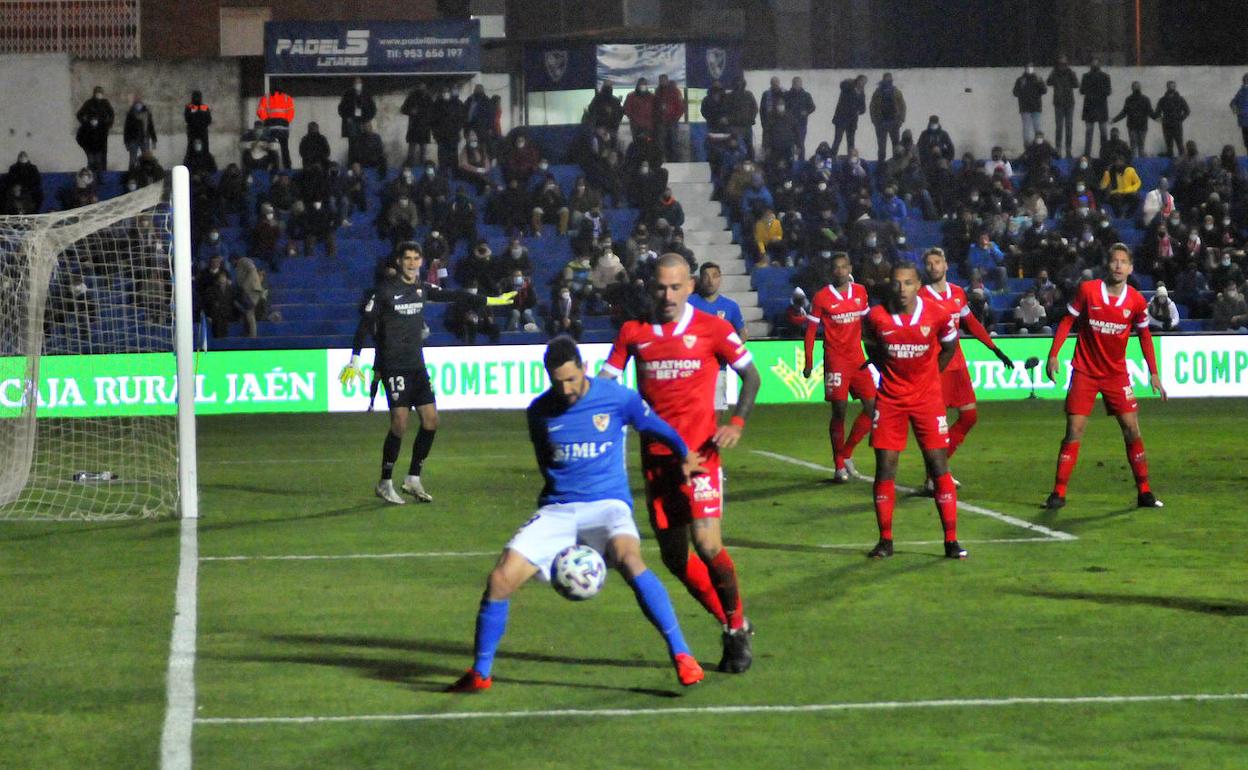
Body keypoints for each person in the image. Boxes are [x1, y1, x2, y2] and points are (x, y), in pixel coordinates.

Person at [446, 337, 707, 693]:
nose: (566, 389)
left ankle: (681, 655)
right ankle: (480, 672)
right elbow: (546, 461)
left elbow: (656, 426)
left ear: (584, 367)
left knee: (630, 559)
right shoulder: (539, 411)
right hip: (558, 508)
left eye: (571, 379)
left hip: (609, 504)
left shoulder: (618, 398)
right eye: (558, 382)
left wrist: (683, 454)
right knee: (500, 578)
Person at [599, 253, 762, 674]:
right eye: (660, 287)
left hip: (701, 457)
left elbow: (752, 375)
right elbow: (606, 385)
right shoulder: (634, 333)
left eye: (675, 287)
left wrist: (738, 422)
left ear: (690, 286)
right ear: (649, 287)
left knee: (708, 546)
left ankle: (734, 629)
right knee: (674, 558)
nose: (667, 295)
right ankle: (733, 621)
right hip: (657, 461)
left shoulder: (714, 328)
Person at [340, 242, 514, 505]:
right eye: (407, 258)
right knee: (400, 422)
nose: (412, 263)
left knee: (431, 421)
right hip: (393, 365)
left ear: (421, 261)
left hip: (416, 366)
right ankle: (385, 482)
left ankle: (413, 478)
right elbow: (364, 326)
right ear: (399, 262)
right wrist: (355, 360)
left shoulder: (422, 289)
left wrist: (491, 300)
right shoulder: (385, 291)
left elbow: (457, 295)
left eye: (416, 258)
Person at [1044, 244, 1166, 511]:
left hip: (1116, 375)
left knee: (1132, 429)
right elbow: (1067, 321)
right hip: (1085, 372)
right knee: (1074, 430)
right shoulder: (1088, 290)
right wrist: (1054, 354)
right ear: (1107, 265)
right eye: (1114, 261)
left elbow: (1145, 336)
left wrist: (1154, 372)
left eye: (1124, 262)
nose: (1119, 266)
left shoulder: (1134, 300)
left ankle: (1144, 491)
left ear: (1131, 268)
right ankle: (1058, 493)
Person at [861, 262, 966, 560]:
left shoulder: (937, 314)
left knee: (938, 465)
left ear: (918, 285)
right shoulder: (876, 317)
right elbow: (873, 350)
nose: (902, 289)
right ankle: (885, 540)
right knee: (885, 468)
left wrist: (932, 376)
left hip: (927, 400)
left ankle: (951, 540)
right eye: (897, 283)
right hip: (891, 400)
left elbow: (949, 346)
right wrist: (890, 376)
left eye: (908, 283)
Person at [921, 247, 1014, 480]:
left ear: (946, 265)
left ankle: (938, 468)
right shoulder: (921, 297)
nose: (933, 266)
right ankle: (936, 475)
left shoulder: (957, 293)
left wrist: (996, 350)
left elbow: (971, 323)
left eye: (937, 262)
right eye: (929, 263)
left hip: (958, 365)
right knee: (938, 425)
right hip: (936, 367)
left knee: (969, 417)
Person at [800, 252, 876, 481]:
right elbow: (811, 331)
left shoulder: (861, 292)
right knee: (839, 411)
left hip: (858, 359)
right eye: (837, 267)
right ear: (831, 271)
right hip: (836, 360)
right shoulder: (822, 297)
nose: (841, 271)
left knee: (874, 409)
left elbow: (869, 325)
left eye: (844, 266)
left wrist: (877, 352)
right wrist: (809, 362)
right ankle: (838, 466)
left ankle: (847, 453)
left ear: (849, 267)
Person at [689, 262, 747, 415]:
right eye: (706, 277)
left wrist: (732, 350)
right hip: (691, 367)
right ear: (700, 279)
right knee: (691, 413)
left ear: (720, 279)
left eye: (714, 276)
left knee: (715, 413)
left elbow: (742, 333)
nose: (710, 281)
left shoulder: (730, 306)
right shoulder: (689, 303)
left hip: (717, 368)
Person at [76, 86, 114, 173]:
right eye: (97, 92)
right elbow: (79, 115)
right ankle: (91, 176)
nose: (99, 94)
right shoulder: (89, 103)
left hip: (102, 134)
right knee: (91, 160)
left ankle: (101, 176)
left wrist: (106, 124)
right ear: (94, 93)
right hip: (90, 134)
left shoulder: (105, 103)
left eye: (100, 93)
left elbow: (111, 116)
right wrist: (88, 122)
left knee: (101, 159)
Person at [1047, 56, 1079, 158]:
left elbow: (1076, 84)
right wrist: (1053, 72)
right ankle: (1058, 149)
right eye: (1060, 64)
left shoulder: (1070, 73)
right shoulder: (1055, 73)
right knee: (1059, 128)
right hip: (1058, 103)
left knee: (1069, 127)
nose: (1062, 66)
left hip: (1069, 103)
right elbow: (1048, 82)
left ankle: (1068, 150)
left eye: (1064, 64)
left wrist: (1071, 73)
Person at [870, 73, 906, 165]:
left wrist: (901, 119)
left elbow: (902, 106)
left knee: (896, 144)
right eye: (886, 78)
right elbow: (872, 106)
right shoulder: (878, 92)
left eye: (889, 79)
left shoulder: (896, 91)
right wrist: (875, 121)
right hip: (881, 123)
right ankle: (881, 165)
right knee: (882, 147)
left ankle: (896, 165)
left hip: (894, 122)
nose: (888, 80)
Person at [1080, 58, 1112, 158]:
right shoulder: (1086, 76)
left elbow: (1108, 91)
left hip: (1098, 107)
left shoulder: (1104, 77)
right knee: (1090, 132)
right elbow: (1082, 90)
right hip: (1092, 107)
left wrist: (1094, 91)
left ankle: (1104, 153)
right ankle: (1087, 154)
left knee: (1102, 132)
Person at [257, 87, 295, 169]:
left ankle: (272, 166)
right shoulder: (287, 98)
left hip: (270, 128)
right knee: (284, 148)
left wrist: (267, 120)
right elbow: (291, 112)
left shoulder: (266, 98)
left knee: (270, 148)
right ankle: (287, 167)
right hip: (283, 128)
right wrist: (285, 121)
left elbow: (260, 111)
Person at [1112, 82, 1152, 158]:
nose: (1136, 88)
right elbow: (1124, 112)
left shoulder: (1145, 99)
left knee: (1141, 147)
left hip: (1142, 127)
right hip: (1132, 127)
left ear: (1140, 88)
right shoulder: (1129, 99)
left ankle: (1140, 166)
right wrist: (1114, 120)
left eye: (1137, 87)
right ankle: (1134, 166)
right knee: (1134, 147)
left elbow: (1150, 112)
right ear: (1132, 88)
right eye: (1135, 87)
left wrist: (1157, 118)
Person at [338, 77, 377, 154]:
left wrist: (368, 119)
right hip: (352, 121)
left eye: (359, 83)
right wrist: (347, 118)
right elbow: (341, 109)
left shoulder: (366, 93)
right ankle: (352, 162)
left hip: (363, 121)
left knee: (364, 142)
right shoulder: (348, 93)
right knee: (353, 144)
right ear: (353, 84)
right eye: (356, 83)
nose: (358, 85)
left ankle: (363, 161)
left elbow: (373, 108)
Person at [831, 75, 867, 157]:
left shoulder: (861, 92)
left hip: (852, 121)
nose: (863, 84)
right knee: (837, 140)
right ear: (857, 80)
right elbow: (844, 86)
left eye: (864, 83)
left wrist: (859, 111)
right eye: (862, 81)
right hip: (841, 119)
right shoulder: (848, 87)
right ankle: (832, 157)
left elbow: (863, 108)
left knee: (851, 142)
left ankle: (851, 159)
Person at [1153, 81, 1190, 158]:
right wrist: (1162, 120)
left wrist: (1180, 119)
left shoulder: (1180, 99)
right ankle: (1170, 166)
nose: (1171, 88)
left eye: (1173, 86)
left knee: (1180, 145)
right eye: (1170, 86)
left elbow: (1187, 111)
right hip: (1167, 126)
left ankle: (1183, 163)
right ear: (1167, 87)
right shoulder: (1162, 100)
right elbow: (1157, 113)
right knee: (1169, 147)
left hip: (1177, 125)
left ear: (1175, 87)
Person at [1014, 63, 1048, 147]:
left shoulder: (1037, 78)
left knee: (1037, 128)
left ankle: (1039, 146)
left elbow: (1044, 91)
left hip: (1036, 107)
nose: (1029, 69)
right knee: (1026, 129)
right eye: (1027, 67)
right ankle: (1027, 147)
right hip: (1025, 108)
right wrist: (1021, 85)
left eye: (1031, 67)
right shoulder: (1020, 80)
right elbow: (1015, 93)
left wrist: (1039, 82)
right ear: (1024, 68)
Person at [401, 82, 433, 167]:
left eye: (423, 87)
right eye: (420, 87)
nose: (422, 89)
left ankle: (422, 171)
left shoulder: (428, 98)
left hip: (425, 128)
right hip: (414, 128)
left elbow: (433, 112)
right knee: (411, 153)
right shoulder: (412, 97)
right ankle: (409, 170)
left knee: (423, 154)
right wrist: (410, 111)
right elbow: (403, 109)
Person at [655, 74, 686, 162]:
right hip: (661, 122)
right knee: (661, 144)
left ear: (667, 80)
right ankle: (662, 161)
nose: (662, 82)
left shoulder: (675, 91)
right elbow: (655, 106)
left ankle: (674, 162)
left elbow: (681, 107)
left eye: (664, 80)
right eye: (661, 80)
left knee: (673, 143)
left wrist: (675, 118)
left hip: (672, 122)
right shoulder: (658, 91)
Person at [123, 96, 157, 170]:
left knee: (147, 159)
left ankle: (146, 174)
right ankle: (132, 176)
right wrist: (126, 142)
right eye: (137, 103)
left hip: (144, 139)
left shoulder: (147, 113)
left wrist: (154, 139)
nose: (138, 105)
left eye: (139, 103)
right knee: (133, 159)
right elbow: (126, 129)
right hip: (133, 139)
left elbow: (151, 126)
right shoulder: (130, 114)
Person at [1231, 73, 1248, 155]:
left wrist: (1236, 111)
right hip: (1244, 120)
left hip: (1243, 121)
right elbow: (1233, 103)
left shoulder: (1241, 91)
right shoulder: (1242, 91)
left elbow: (1232, 103)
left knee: (1246, 142)